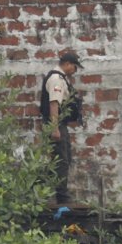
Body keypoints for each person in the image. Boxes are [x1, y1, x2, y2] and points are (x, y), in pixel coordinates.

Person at [41, 51, 83, 205]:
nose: (75, 70)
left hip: (59, 124)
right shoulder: (56, 79)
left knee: (63, 159)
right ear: (67, 64)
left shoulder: (61, 78)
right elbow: (54, 104)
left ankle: (58, 194)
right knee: (61, 160)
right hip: (56, 124)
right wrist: (54, 128)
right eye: (74, 66)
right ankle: (62, 197)